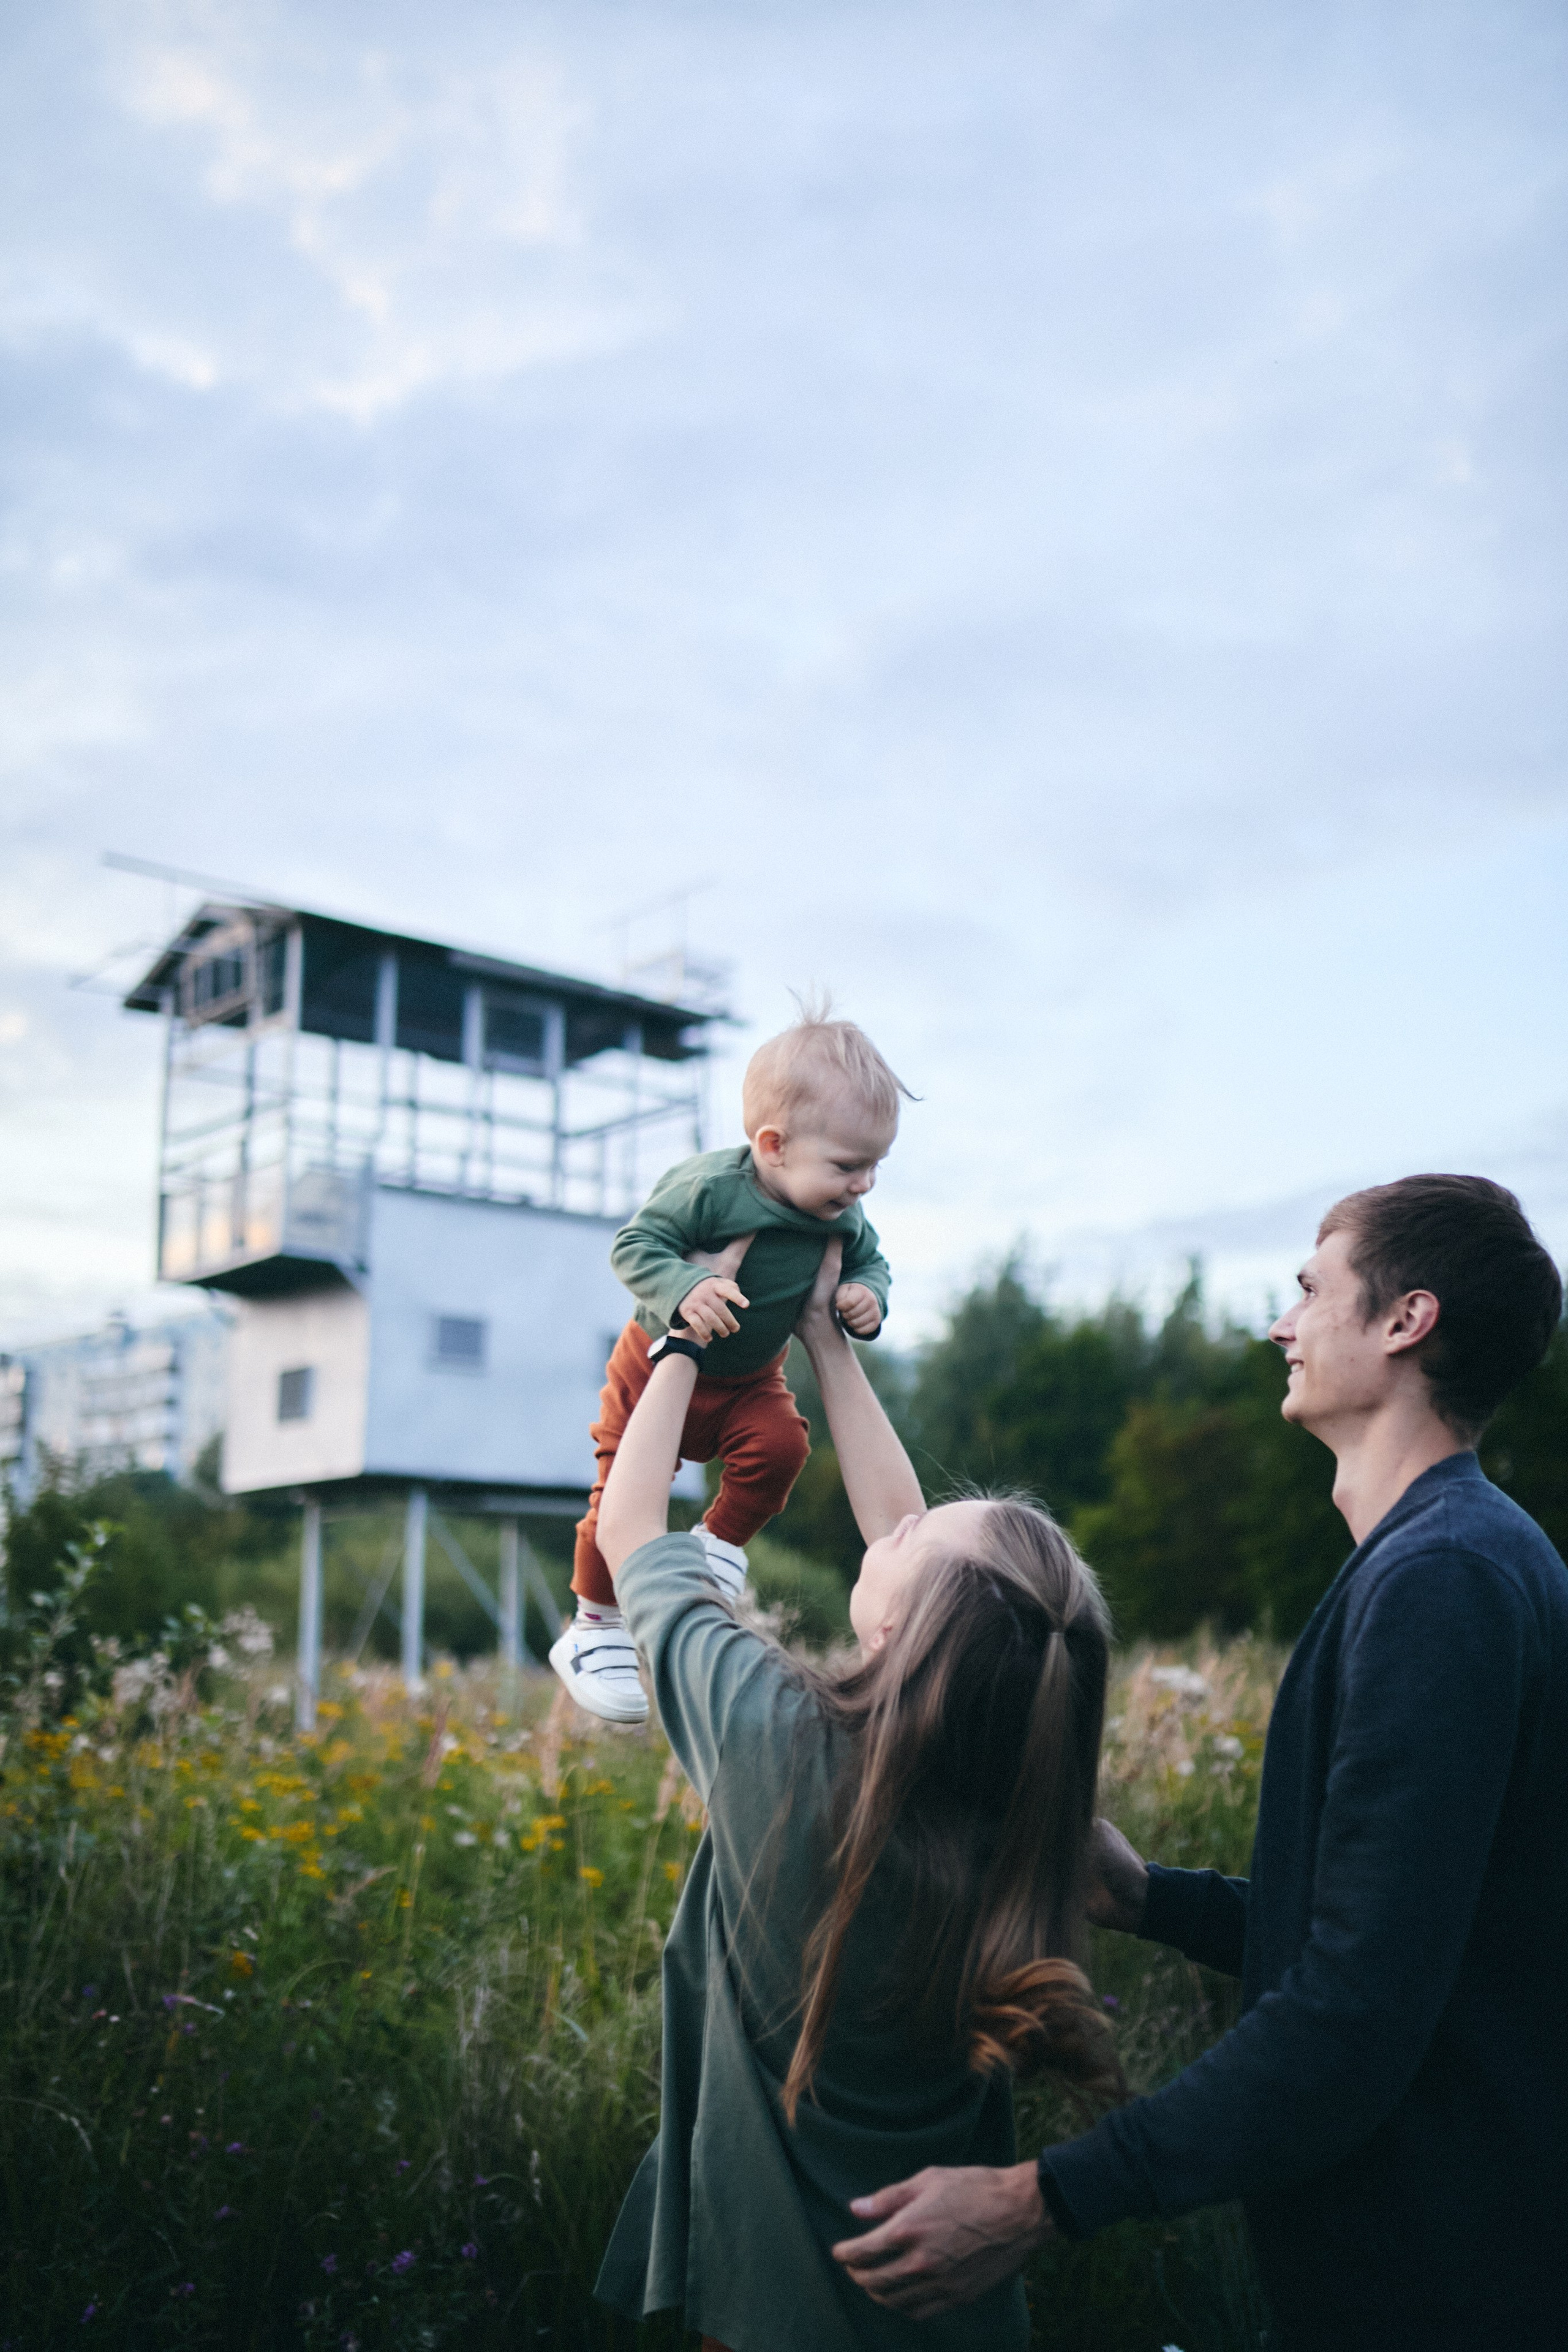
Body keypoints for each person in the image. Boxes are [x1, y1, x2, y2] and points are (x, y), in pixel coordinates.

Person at [831, 1174, 1568, 2352]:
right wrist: (1149, 1899)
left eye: (1309, 1290)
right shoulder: (1454, 1559)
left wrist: (1041, 2199)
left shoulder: (1446, 1584)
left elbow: (1357, 2011)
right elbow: (1410, 1932)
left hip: (1438, 2276)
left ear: (1404, 1321)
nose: (1281, 1325)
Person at [590, 1240, 1125, 2351]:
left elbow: (635, 1531)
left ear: (899, 1632)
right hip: (954, 2317)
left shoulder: (778, 1748)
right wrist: (826, 1339)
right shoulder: (1017, 1799)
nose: (904, 1520)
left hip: (773, 2308)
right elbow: (914, 1559)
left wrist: (679, 1338)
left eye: (921, 1535)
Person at [550, 1001, 908, 1722]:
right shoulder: (709, 1188)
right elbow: (634, 1247)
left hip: (750, 1378)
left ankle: (717, 1543)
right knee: (616, 1491)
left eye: (875, 1166)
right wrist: (690, 1286)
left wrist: (867, 1296)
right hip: (656, 1367)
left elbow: (871, 1264)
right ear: (773, 1145)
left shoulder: (842, 1215)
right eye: (847, 1166)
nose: (863, 1185)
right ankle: (594, 1621)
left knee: (782, 1447)